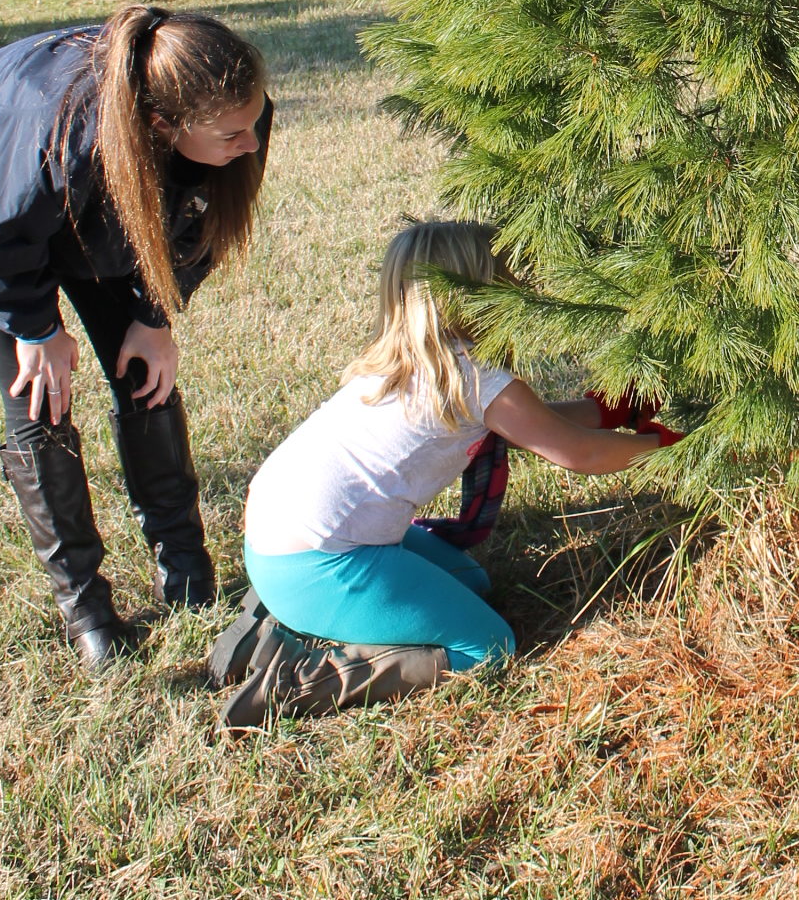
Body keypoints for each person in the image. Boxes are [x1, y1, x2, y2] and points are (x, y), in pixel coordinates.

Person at [0, 6, 270, 668]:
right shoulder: (54, 133)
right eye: (232, 135)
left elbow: (199, 223)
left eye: (251, 124)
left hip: (99, 179)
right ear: (164, 123)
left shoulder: (234, 110)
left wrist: (156, 316)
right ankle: (89, 615)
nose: (250, 143)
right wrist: (37, 327)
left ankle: (187, 575)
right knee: (37, 394)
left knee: (144, 370)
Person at [221, 219, 676, 725]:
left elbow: (535, 424)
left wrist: (611, 411)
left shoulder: (410, 364)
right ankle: (300, 676)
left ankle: (280, 617)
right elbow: (578, 453)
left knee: (470, 582)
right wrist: (668, 448)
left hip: (274, 541)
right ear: (478, 294)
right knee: (487, 647)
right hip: (321, 563)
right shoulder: (476, 379)